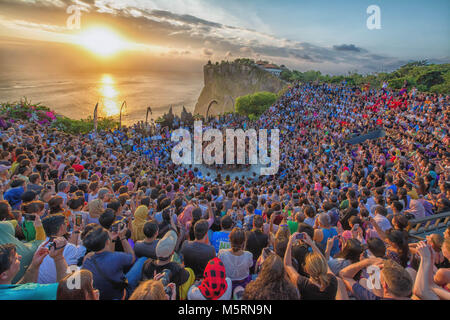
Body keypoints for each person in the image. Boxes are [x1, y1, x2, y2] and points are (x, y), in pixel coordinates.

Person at [0, 238, 69, 300]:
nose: (20, 257)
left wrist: (34, 265)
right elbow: (67, 289)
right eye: (15, 259)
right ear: (4, 275)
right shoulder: (29, 292)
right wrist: (58, 257)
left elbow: (17, 287)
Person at [81, 224, 136, 300]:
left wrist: (112, 240)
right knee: (142, 260)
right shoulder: (118, 257)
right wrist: (122, 237)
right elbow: (132, 258)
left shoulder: (87, 261)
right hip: (119, 296)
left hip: (100, 296)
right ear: (107, 242)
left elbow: (108, 256)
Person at [284, 232, 338, 300]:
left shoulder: (303, 284)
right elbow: (323, 261)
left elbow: (288, 265)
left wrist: (289, 244)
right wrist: (311, 243)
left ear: (306, 269)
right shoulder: (332, 281)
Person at [38, 215, 85, 284]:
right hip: (58, 288)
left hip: (42, 286)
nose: (67, 224)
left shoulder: (41, 245)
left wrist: (76, 231)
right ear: (61, 227)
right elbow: (71, 279)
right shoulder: (69, 248)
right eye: (65, 222)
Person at [340, 258, 413, 300]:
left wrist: (367, 261)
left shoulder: (371, 298)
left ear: (384, 285)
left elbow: (344, 274)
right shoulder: (418, 296)